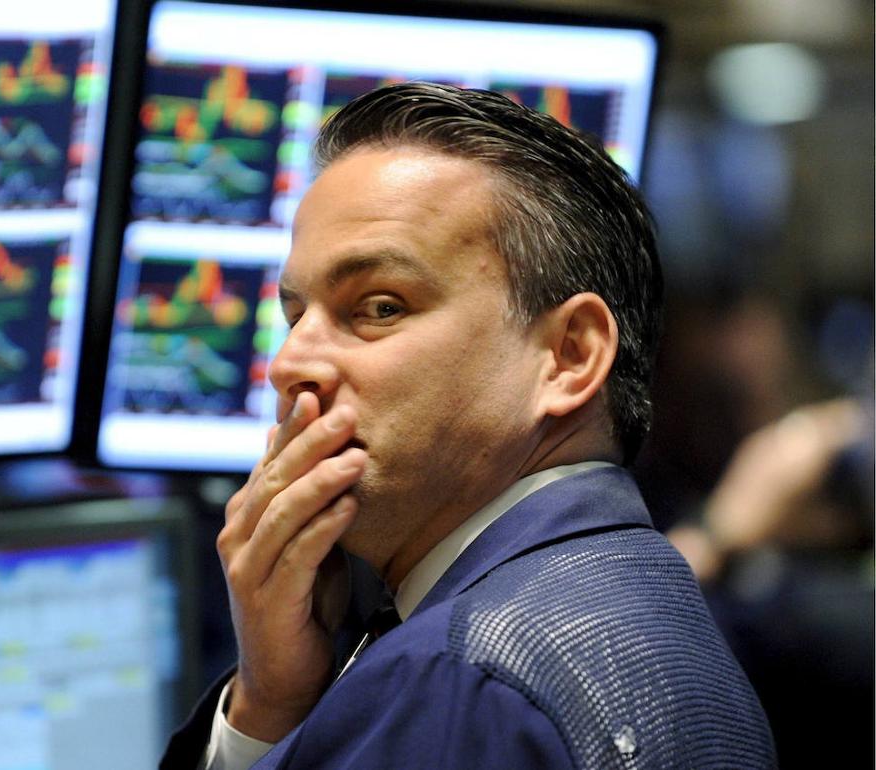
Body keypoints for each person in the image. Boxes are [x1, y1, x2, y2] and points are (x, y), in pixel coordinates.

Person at [162, 83, 776, 769]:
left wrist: (260, 723)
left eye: (380, 307)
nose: (288, 365)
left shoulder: (457, 682)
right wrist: (275, 700)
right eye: (296, 316)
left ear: (569, 356)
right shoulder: (650, 595)